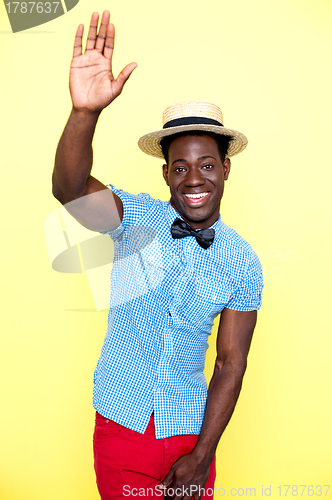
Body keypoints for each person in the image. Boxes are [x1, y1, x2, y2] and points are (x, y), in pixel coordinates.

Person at [52, 10, 264, 500]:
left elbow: (231, 363)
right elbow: (68, 191)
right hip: (122, 425)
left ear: (226, 169)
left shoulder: (243, 260)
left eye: (207, 164)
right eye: (181, 167)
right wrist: (85, 113)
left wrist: (202, 455)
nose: (195, 179)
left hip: (192, 434)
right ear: (166, 174)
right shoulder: (137, 219)